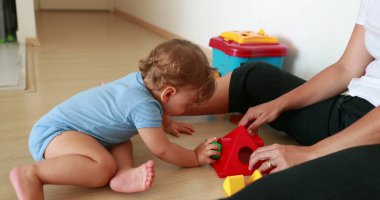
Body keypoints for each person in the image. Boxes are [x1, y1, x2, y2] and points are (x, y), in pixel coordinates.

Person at [185, 0, 380, 199]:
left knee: (273, 189)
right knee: (257, 76)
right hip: (352, 110)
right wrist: (278, 104)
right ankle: (157, 102)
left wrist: (310, 154)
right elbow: (346, 68)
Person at [9, 39, 221, 200]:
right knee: (103, 167)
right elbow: (162, 149)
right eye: (189, 103)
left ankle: (124, 173)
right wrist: (194, 156)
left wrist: (167, 122)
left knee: (121, 136)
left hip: (70, 131)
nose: (189, 108)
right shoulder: (143, 106)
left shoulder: (142, 83)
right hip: (55, 135)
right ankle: (32, 175)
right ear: (167, 94)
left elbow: (150, 109)